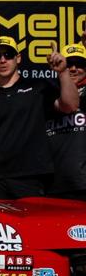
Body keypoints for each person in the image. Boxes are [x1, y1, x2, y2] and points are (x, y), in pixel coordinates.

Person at [0, 37, 80, 199]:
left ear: (18, 58)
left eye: (8, 55)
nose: (2, 60)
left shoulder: (38, 86)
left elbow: (70, 106)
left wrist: (63, 72)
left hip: (30, 176)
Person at [46, 42, 86, 200]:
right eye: (69, 63)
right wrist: (62, 72)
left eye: (80, 64)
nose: (74, 69)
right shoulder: (47, 92)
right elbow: (68, 104)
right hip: (54, 184)